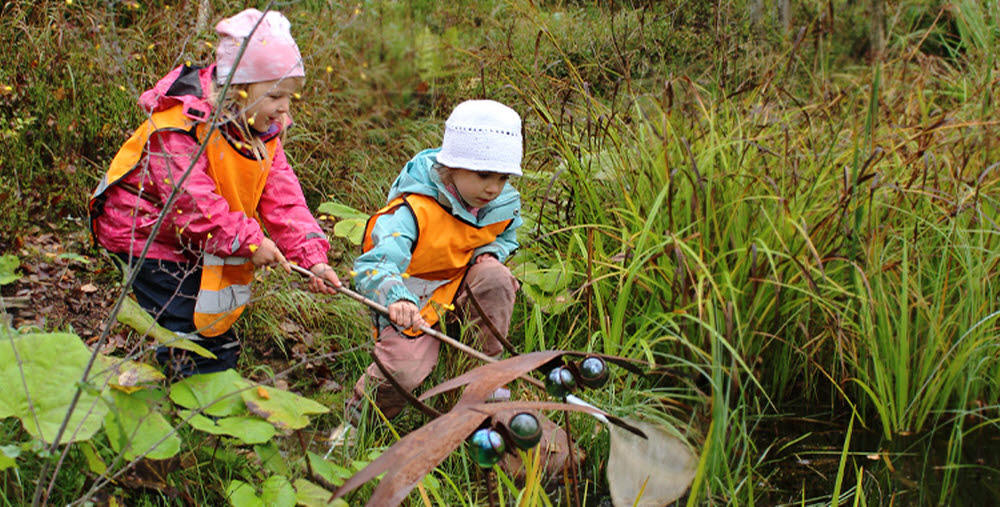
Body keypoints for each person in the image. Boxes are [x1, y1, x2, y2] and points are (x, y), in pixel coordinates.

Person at [89, 8, 341, 379]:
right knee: (182, 320)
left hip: (197, 237)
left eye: (290, 96)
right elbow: (192, 206)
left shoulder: (260, 132)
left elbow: (283, 198)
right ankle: (189, 390)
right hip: (144, 233)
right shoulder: (181, 128)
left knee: (206, 311)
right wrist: (253, 242)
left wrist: (312, 257)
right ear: (240, 89)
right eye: (274, 95)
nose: (285, 108)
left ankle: (204, 366)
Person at [346, 99, 580, 478]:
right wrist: (396, 297)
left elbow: (505, 239)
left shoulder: (502, 204)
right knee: (404, 371)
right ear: (452, 166)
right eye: (484, 175)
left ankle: (476, 390)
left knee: (497, 278)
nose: (493, 188)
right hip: (412, 300)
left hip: (458, 290)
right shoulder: (414, 210)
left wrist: (487, 256)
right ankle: (359, 423)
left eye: (503, 178)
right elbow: (376, 263)